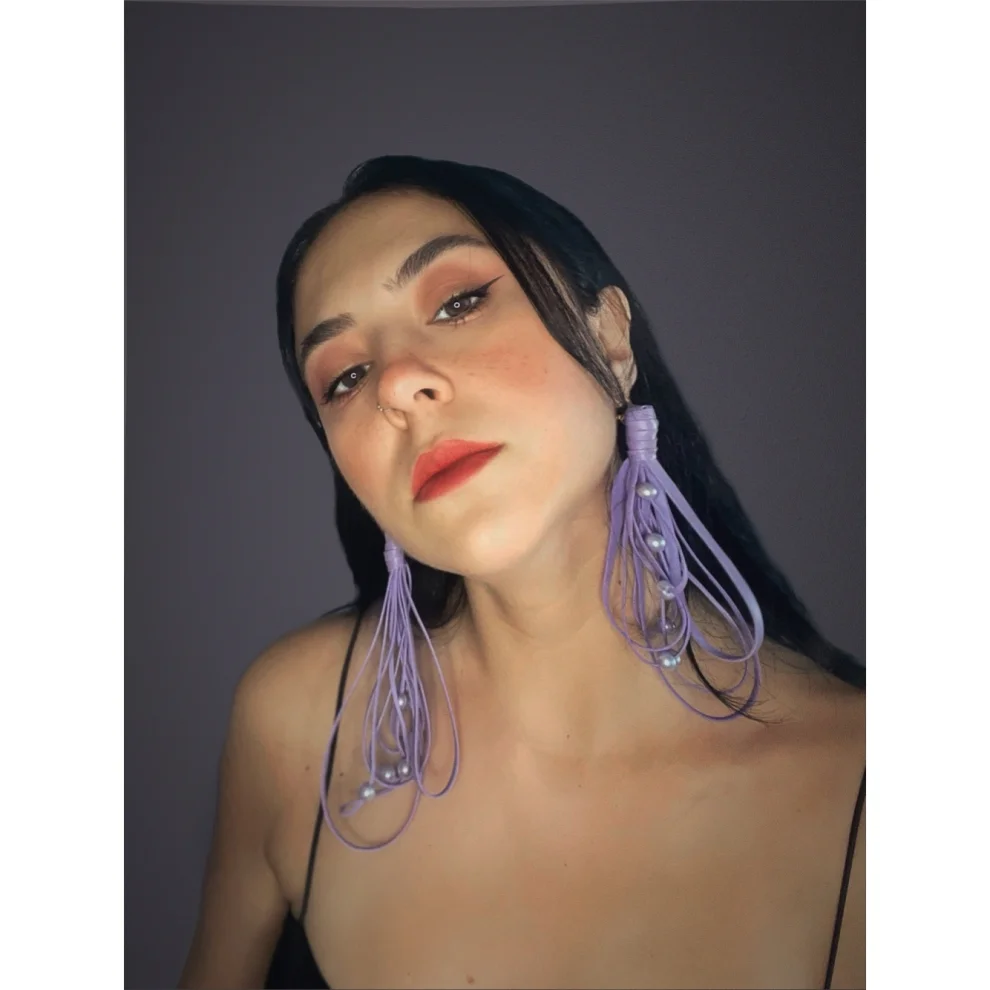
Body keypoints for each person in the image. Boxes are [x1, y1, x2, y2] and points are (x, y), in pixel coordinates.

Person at [179, 156, 865, 990]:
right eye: (346, 378)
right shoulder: (296, 725)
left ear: (610, 341)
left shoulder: (865, 793)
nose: (397, 383)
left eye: (458, 302)